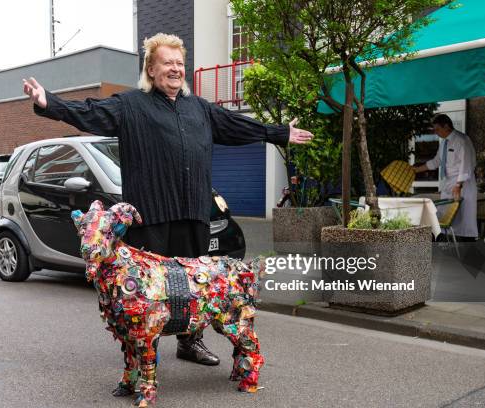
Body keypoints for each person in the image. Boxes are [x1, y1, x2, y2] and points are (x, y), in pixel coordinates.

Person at [23, 33, 314, 367]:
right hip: (151, 216)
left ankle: (190, 343)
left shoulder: (199, 109)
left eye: (180, 63)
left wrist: (279, 133)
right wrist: (49, 102)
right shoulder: (130, 105)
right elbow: (90, 112)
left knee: (193, 287)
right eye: (167, 63)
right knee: (147, 291)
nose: (175, 69)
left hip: (193, 212)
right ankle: (142, 354)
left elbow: (236, 125)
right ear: (151, 68)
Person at [414, 114, 478, 241]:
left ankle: (466, 246)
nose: (436, 132)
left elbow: (467, 164)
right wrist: (416, 170)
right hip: (448, 184)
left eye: (437, 129)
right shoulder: (443, 143)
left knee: (464, 221)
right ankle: (448, 244)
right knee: (446, 218)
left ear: (447, 126)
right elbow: (436, 162)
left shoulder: (462, 140)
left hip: (463, 184)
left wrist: (458, 185)